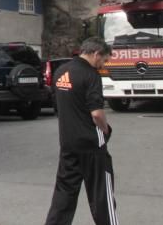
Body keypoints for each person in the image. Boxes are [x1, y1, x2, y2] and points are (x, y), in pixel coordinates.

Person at [44, 37, 118, 225]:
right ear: (96, 54)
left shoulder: (61, 72)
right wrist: (106, 130)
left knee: (64, 193)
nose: (103, 65)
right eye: (104, 60)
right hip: (91, 144)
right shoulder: (91, 75)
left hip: (68, 142)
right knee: (102, 194)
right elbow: (97, 114)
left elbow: (59, 105)